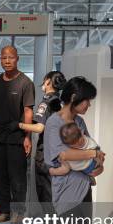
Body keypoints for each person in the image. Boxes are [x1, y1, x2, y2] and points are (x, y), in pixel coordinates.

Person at [43, 76, 104, 224]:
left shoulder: (79, 122)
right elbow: (63, 156)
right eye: (86, 101)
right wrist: (92, 155)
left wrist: (96, 158)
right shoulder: (53, 124)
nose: (88, 105)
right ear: (74, 99)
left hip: (84, 185)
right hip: (67, 190)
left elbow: (89, 146)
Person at [0, 46, 35, 223]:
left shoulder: (25, 83)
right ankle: (4, 210)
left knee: (17, 178)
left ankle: (18, 212)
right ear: (0, 60)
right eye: (4, 58)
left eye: (11, 57)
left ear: (17, 58)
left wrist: (27, 137)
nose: (7, 61)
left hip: (17, 137)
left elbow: (28, 111)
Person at [13, 71, 66, 204]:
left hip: (45, 155)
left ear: (48, 81)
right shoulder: (61, 102)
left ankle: (49, 223)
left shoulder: (46, 102)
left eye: (44, 80)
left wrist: (19, 125)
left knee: (45, 194)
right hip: (60, 152)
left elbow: (39, 127)